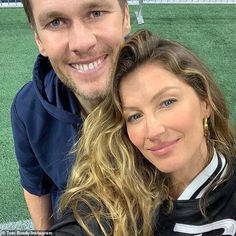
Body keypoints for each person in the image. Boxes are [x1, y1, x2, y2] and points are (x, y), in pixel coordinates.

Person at [51, 30, 236, 235]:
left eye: (167, 102)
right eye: (135, 116)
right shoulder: (117, 193)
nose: (153, 131)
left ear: (205, 103)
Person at [10, 0, 130, 230]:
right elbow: (36, 185)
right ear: (39, 40)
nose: (82, 43)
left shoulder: (171, 94)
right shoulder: (28, 108)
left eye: (96, 13)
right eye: (56, 22)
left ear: (125, 17)